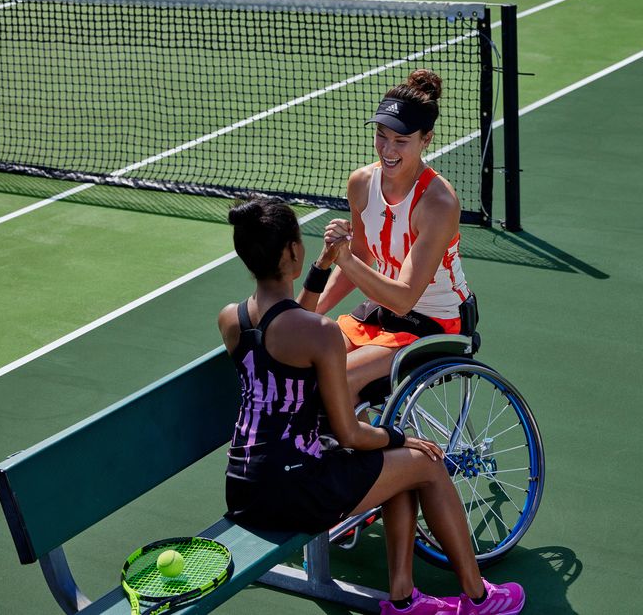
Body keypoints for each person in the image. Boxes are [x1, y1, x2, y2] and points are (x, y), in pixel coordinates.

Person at [219, 197, 524, 615]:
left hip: (243, 488)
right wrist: (404, 437)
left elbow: (285, 321)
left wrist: (324, 265)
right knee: (422, 462)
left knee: (394, 460)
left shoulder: (231, 319)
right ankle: (478, 598)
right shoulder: (320, 334)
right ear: (292, 250)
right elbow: (350, 435)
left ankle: (403, 599)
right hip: (298, 489)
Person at [311, 69, 474, 404]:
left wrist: (342, 257)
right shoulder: (360, 183)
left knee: (337, 378)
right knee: (307, 360)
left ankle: (370, 452)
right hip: (384, 311)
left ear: (426, 139)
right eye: (382, 136)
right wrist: (311, 311)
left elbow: (404, 298)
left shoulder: (438, 203)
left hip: (436, 323)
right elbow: (360, 257)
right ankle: (347, 444)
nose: (388, 149)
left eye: (401, 141)